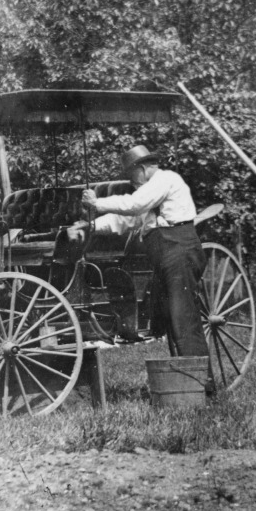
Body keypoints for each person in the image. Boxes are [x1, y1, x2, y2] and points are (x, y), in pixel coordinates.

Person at [81, 145, 209, 359]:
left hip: (179, 248)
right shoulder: (150, 193)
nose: (131, 181)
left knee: (182, 315)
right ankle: (183, 367)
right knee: (168, 314)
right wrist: (91, 226)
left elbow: (135, 204)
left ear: (142, 168)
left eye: (131, 175)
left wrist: (97, 203)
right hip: (165, 252)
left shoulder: (165, 179)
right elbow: (124, 220)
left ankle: (199, 374)